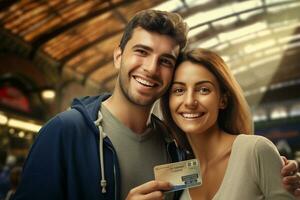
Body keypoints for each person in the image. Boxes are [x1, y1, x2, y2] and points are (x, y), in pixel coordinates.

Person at [13, 10, 300, 200]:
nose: (151, 69)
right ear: (117, 57)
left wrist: (280, 182)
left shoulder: (175, 148)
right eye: (141, 52)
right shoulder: (64, 133)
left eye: (165, 60)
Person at [160, 48, 298, 199]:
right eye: (179, 90)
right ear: (168, 101)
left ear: (223, 100)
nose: (189, 102)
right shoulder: (179, 173)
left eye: (204, 90)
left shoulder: (255, 151)